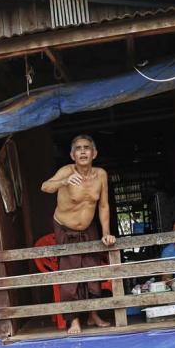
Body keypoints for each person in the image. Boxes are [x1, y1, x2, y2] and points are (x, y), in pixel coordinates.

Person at [40, 134, 116, 334]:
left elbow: (104, 205)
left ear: (94, 153)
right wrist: (64, 181)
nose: (83, 151)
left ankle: (93, 314)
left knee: (92, 272)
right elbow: (45, 186)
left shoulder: (101, 174)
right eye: (79, 148)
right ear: (72, 155)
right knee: (70, 273)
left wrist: (106, 233)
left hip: (89, 228)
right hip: (64, 227)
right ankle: (73, 320)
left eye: (87, 148)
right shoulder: (66, 170)